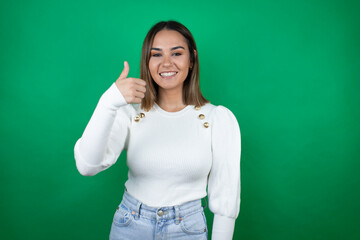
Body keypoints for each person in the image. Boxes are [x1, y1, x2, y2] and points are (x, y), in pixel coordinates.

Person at [74, 20, 241, 240]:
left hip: (187, 230)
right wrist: (108, 102)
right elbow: (87, 166)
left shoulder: (217, 119)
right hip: (129, 225)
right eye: (156, 54)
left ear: (192, 59)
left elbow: (226, 199)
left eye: (177, 53)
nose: (166, 63)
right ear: (147, 61)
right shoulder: (129, 113)